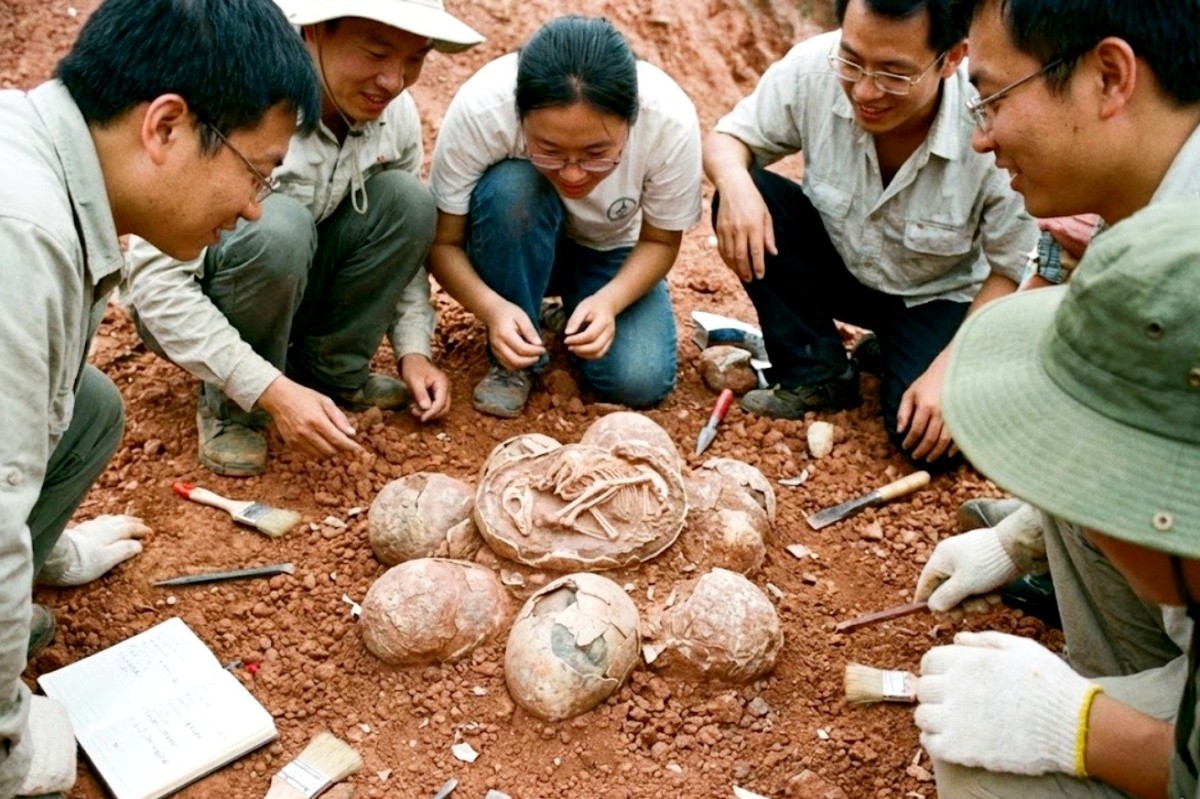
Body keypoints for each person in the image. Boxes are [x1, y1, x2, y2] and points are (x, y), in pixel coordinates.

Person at [0, 0, 320, 794]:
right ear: (166, 127)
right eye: (256, 172)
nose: (254, 206)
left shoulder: (42, 157)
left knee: (92, 404)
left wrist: (48, 549)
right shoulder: (21, 236)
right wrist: (12, 740)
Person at [913, 0, 1200, 794]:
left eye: (995, 97)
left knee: (986, 766)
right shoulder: (1150, 221)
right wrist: (1020, 541)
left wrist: (1080, 731)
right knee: (1077, 424)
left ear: (1109, 78)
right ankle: (1147, 682)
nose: (980, 134)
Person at [125, 0, 483, 476]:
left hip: (299, 286)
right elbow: (156, 286)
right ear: (314, 31)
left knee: (409, 201)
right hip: (215, 293)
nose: (394, 81)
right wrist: (266, 389)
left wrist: (413, 349)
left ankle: (331, 375)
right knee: (279, 228)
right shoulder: (233, 102)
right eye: (376, 54)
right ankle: (235, 406)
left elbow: (407, 242)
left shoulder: (394, 115)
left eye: (415, 59)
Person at [702, 0, 1037, 465]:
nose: (864, 90)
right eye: (853, 60)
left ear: (951, 59)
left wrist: (949, 372)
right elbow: (727, 139)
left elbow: (1011, 270)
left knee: (929, 445)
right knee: (748, 191)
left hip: (937, 297)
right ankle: (816, 372)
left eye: (894, 74)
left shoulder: (991, 125)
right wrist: (734, 184)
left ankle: (899, 350)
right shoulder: (813, 68)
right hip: (843, 268)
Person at [428, 15, 702, 418]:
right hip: (513, 240)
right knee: (513, 189)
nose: (572, 173)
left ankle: (571, 307)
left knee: (639, 379)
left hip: (608, 250)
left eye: (596, 154)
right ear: (519, 116)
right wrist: (493, 309)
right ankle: (513, 356)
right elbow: (443, 242)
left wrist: (610, 301)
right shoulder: (483, 108)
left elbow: (660, 241)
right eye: (549, 150)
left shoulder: (669, 120)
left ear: (632, 119)